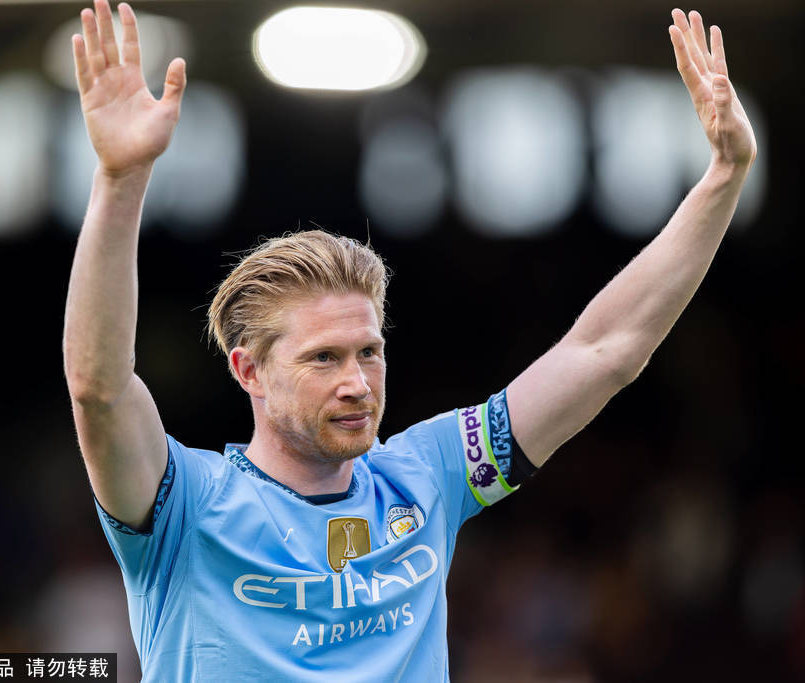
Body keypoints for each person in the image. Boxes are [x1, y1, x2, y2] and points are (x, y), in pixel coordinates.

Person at [62, 2, 756, 680]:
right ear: (250, 371)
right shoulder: (183, 504)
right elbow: (99, 387)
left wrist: (723, 177)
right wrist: (121, 179)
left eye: (369, 352)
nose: (357, 383)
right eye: (323, 358)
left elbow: (604, 352)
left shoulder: (427, 477)